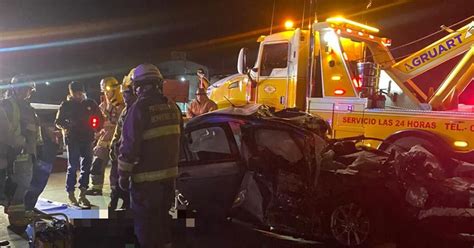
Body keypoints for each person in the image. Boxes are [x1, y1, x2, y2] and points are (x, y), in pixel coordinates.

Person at [118, 63, 182, 248]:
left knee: (147, 229)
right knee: (163, 225)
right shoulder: (173, 107)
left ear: (138, 86)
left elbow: (128, 148)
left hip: (146, 184)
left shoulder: (138, 109)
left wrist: (123, 176)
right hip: (169, 181)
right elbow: (182, 140)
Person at [55, 81, 103, 207]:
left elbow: (99, 118)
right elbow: (58, 121)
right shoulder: (66, 105)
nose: (78, 95)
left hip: (87, 139)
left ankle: (83, 193)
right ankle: (71, 193)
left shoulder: (90, 104)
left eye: (80, 93)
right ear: (71, 93)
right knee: (73, 166)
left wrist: (96, 127)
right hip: (73, 140)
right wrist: (67, 126)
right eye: (75, 93)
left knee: (86, 166)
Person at [1, 75, 39, 229]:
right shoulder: (8, 106)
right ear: (16, 89)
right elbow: (6, 132)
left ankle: (16, 216)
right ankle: (16, 221)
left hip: (25, 153)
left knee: (20, 186)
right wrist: (21, 142)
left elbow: (33, 129)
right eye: (25, 89)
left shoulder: (26, 106)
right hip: (15, 153)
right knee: (18, 186)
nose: (27, 93)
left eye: (29, 90)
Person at [86, 77, 124, 196]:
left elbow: (120, 122)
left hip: (117, 141)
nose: (106, 94)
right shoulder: (102, 106)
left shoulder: (122, 106)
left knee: (116, 169)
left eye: (108, 91)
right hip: (103, 140)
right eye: (104, 92)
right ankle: (96, 187)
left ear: (115, 90)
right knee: (97, 163)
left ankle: (116, 190)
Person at [108, 69, 136, 210]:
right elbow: (118, 130)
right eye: (123, 94)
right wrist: (113, 145)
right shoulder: (125, 111)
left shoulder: (137, 110)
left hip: (129, 154)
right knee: (115, 178)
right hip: (119, 152)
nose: (124, 97)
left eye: (127, 94)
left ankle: (125, 203)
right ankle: (114, 199)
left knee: (126, 181)